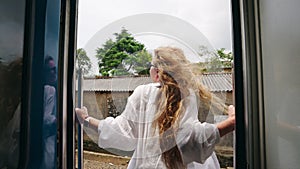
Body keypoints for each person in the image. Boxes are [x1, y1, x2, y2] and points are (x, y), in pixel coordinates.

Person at [75, 46, 235, 169]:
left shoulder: (143, 92)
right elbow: (189, 140)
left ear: (157, 72)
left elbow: (123, 131)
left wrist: (87, 119)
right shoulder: (188, 94)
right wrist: (229, 124)